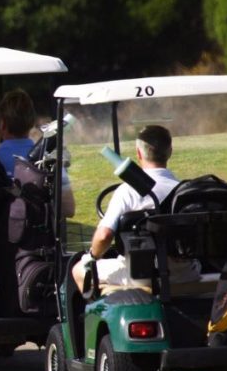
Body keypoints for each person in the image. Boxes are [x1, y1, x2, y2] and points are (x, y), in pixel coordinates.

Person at [71, 125, 197, 291]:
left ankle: (105, 304)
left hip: (141, 275)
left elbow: (104, 236)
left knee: (79, 269)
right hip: (186, 273)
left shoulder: (127, 192)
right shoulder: (184, 191)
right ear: (170, 152)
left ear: (138, 153)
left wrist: (92, 257)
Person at [0, 89, 76, 218]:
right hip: (39, 229)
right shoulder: (47, 159)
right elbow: (68, 208)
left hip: (1, 230)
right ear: (31, 123)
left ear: (2, 124)